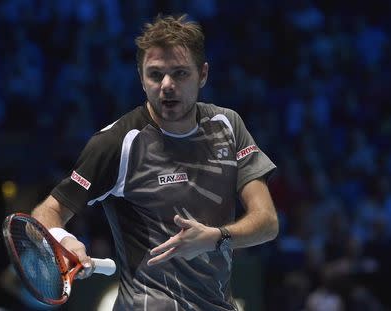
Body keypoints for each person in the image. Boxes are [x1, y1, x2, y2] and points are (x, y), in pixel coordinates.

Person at [32, 14, 279, 310]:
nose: (167, 85)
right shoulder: (117, 142)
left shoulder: (228, 125)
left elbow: (267, 222)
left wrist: (216, 238)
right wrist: (65, 240)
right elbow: (47, 212)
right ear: (140, 78)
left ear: (203, 74)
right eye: (155, 74)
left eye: (180, 73)